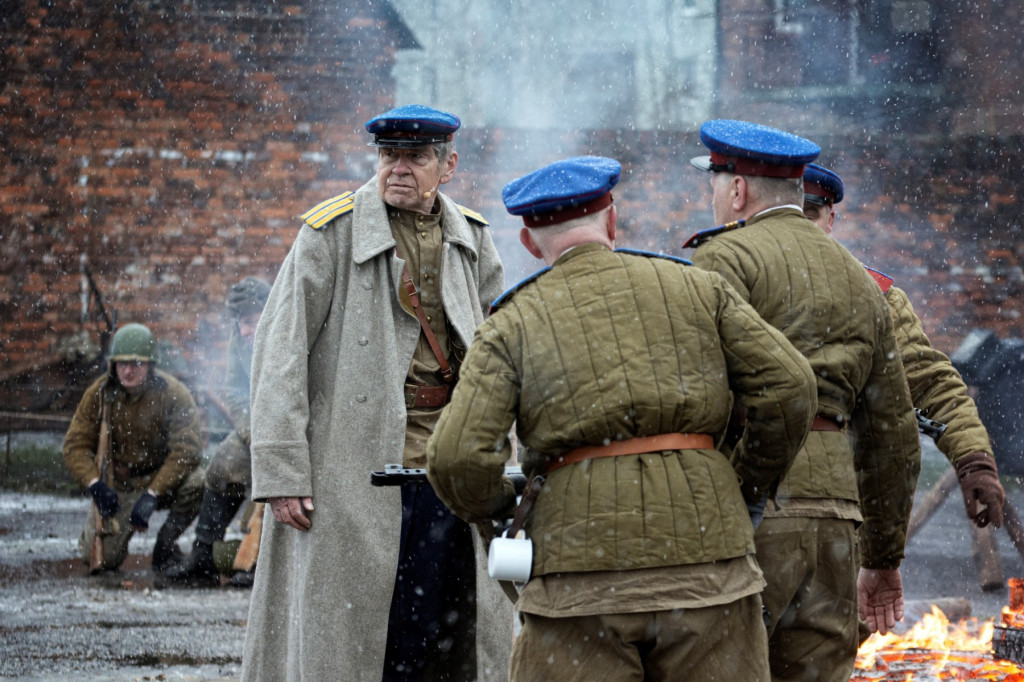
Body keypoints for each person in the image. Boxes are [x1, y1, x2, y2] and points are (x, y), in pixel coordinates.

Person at [426, 156, 819, 681]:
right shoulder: (699, 288)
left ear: (528, 243)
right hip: (709, 566)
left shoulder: (511, 322)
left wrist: (505, 514)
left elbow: (455, 459)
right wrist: (744, 484)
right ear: (612, 220)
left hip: (576, 583)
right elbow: (791, 386)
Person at [241, 104, 508, 681]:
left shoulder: (474, 240)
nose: (398, 168)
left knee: (439, 623)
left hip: (449, 466)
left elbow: (501, 357)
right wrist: (283, 471)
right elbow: (278, 354)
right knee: (356, 633)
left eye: (415, 156)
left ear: (449, 165)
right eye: (389, 155)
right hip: (351, 465)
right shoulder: (329, 233)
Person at [683, 120, 922, 681]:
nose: (712, 196)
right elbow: (894, 434)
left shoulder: (723, 260)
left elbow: (694, 395)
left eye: (714, 182)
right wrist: (883, 558)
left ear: (737, 189)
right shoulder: (863, 282)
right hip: (839, 524)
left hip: (750, 512)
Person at [802, 163, 1005, 529]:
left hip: (840, 505)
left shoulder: (873, 297)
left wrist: (973, 459)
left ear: (830, 221)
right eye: (788, 215)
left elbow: (930, 383)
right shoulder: (724, 285)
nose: (800, 229)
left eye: (810, 215)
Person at [63, 322, 204, 574]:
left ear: (150, 365)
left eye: (136, 364)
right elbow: (75, 446)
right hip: (119, 486)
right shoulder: (99, 394)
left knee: (198, 482)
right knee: (99, 559)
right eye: (122, 364)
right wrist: (95, 485)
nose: (128, 371)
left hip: (159, 480)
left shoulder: (173, 393)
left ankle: (166, 544)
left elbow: (188, 450)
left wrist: (153, 493)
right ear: (113, 365)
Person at [164, 276, 271, 588]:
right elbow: (236, 391)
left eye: (251, 321)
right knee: (222, 464)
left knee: (276, 482)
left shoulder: (293, 333)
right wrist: (252, 433)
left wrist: (276, 438)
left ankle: (264, 562)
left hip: (299, 432)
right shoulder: (241, 340)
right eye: (240, 322)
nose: (245, 331)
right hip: (256, 427)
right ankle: (204, 556)